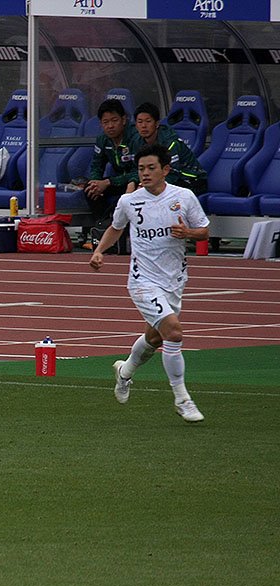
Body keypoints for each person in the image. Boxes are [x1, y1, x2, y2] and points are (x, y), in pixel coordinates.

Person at [89, 144, 209, 423]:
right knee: (174, 333)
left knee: (155, 338)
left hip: (174, 279)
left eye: (151, 168)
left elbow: (204, 231)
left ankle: (125, 372)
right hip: (142, 280)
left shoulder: (183, 197)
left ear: (165, 169)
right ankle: (182, 399)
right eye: (141, 168)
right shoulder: (129, 201)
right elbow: (116, 228)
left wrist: (188, 233)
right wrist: (99, 251)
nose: (145, 173)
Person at [129, 102, 208, 196]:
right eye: (140, 122)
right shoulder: (136, 141)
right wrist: (132, 182)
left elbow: (172, 174)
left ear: (157, 123)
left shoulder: (170, 142)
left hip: (190, 179)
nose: (144, 126)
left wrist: (145, 187)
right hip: (160, 179)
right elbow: (135, 169)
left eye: (148, 121)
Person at [84, 98, 137, 223]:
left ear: (123, 120)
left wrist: (108, 182)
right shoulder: (103, 140)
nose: (110, 126)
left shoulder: (135, 137)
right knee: (89, 189)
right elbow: (96, 165)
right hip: (117, 181)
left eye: (114, 120)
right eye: (105, 122)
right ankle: (101, 224)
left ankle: (114, 225)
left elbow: (138, 172)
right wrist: (95, 183)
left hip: (135, 181)